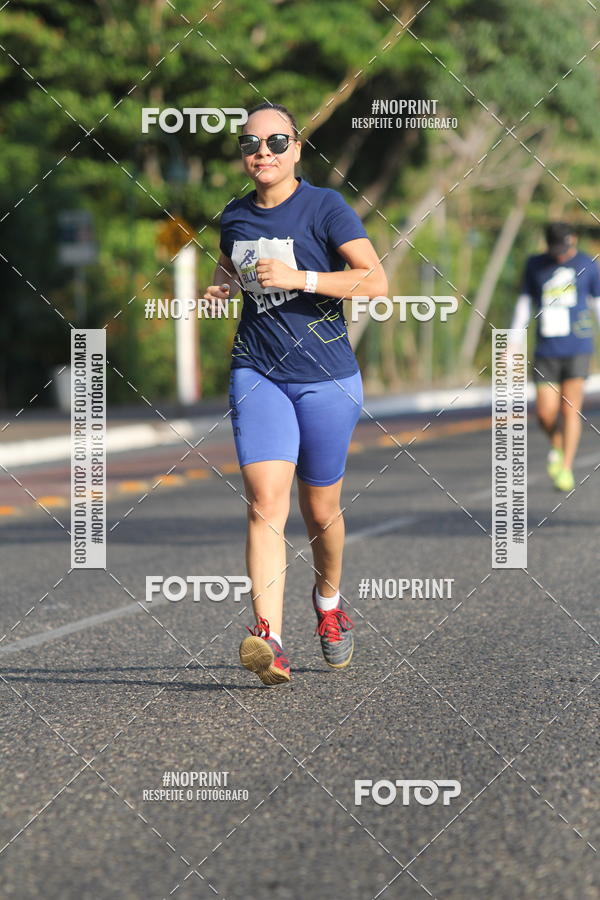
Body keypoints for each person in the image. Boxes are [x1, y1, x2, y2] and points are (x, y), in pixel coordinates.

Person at [203, 102, 387, 685]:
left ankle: (329, 605)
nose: (262, 152)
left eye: (276, 142)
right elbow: (229, 269)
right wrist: (219, 287)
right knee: (264, 504)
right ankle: (270, 640)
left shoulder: (326, 207)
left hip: (327, 377)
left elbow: (375, 281)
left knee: (321, 511)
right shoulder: (233, 216)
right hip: (257, 370)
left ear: (297, 149)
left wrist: (300, 279)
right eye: (251, 143)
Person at [511, 222, 600, 491]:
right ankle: (558, 445)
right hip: (546, 349)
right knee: (545, 413)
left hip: (578, 347)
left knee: (569, 409)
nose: (560, 254)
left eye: (564, 248)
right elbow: (524, 304)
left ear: (573, 240)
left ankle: (565, 467)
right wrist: (513, 341)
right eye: (555, 249)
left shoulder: (588, 264)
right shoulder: (535, 265)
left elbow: (597, 304)